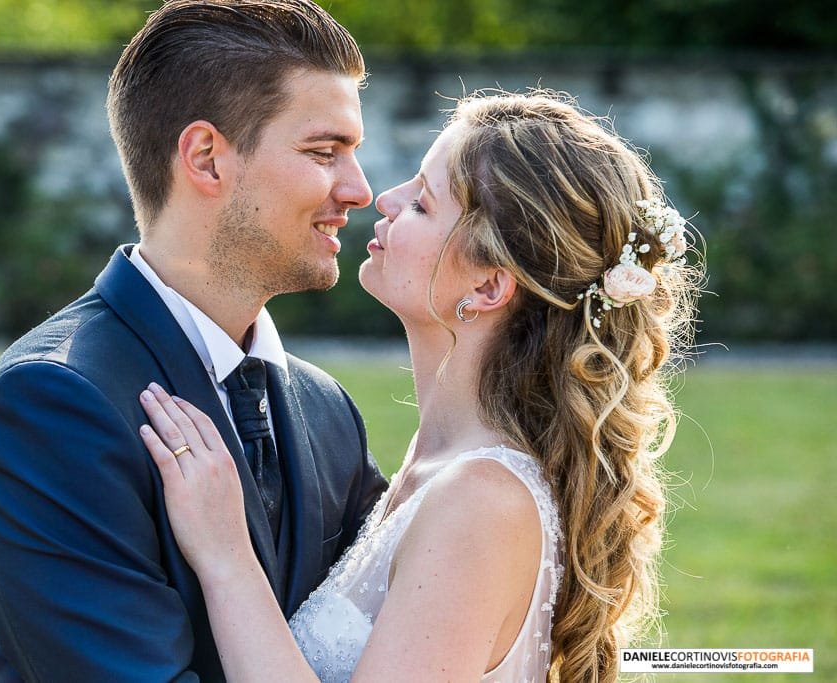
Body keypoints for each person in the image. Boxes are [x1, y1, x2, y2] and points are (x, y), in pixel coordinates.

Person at [135, 90, 701, 682]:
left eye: (424, 204)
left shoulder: (480, 503)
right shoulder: (437, 467)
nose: (385, 199)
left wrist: (226, 557)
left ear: (486, 289)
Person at [0, 1, 388, 680]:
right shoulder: (51, 406)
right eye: (324, 152)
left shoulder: (330, 413)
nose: (359, 189)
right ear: (206, 157)